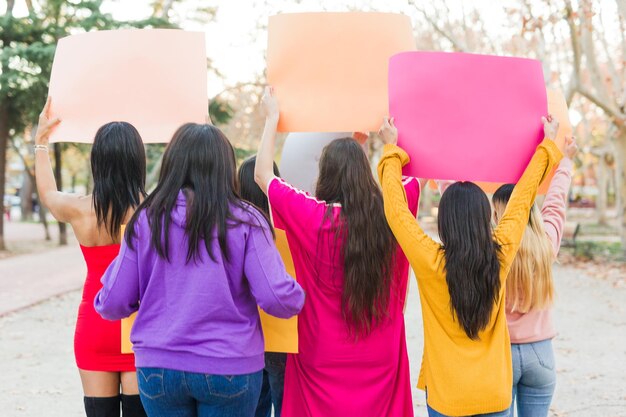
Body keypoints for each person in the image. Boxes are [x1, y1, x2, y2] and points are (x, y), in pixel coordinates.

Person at [94, 123, 305, 417]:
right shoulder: (247, 221)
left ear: (172, 164)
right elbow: (278, 299)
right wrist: (299, 293)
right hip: (230, 367)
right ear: (224, 166)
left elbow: (112, 303)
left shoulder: (146, 220)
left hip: (159, 369)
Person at [378, 115, 562, 417]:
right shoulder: (500, 253)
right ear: (483, 218)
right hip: (494, 394)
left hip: (447, 396)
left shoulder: (429, 260)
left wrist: (391, 150)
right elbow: (522, 198)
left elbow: (396, 212)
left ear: (445, 222)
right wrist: (547, 145)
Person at [255, 87, 417, 417]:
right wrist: (393, 144)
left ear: (324, 174)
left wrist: (272, 118)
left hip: (320, 353)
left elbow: (262, 175)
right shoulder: (391, 212)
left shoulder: (312, 217)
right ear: (364, 175)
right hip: (381, 354)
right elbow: (418, 177)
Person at [34, 97, 147, 417]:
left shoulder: (80, 208)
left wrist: (41, 144)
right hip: (139, 327)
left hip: (95, 324)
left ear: (98, 161)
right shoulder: (153, 211)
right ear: (137, 161)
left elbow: (47, 195)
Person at [492, 137, 578, 417]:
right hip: (541, 354)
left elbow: (463, 214)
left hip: (500, 354)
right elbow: (555, 203)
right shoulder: (547, 242)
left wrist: (446, 178)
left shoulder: (492, 248)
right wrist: (565, 161)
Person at [238, 156, 288, 417]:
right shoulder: (287, 228)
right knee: (283, 405)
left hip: (247, 337)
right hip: (282, 336)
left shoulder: (233, 231)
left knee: (253, 408)